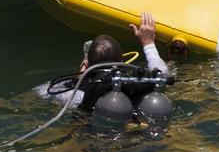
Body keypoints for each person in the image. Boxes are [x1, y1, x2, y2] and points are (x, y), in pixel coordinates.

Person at [35, 11, 168, 112]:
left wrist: (80, 76)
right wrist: (148, 43)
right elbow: (162, 73)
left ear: (87, 65)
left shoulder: (76, 95)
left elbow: (43, 91)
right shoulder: (135, 84)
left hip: (91, 136)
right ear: (122, 62)